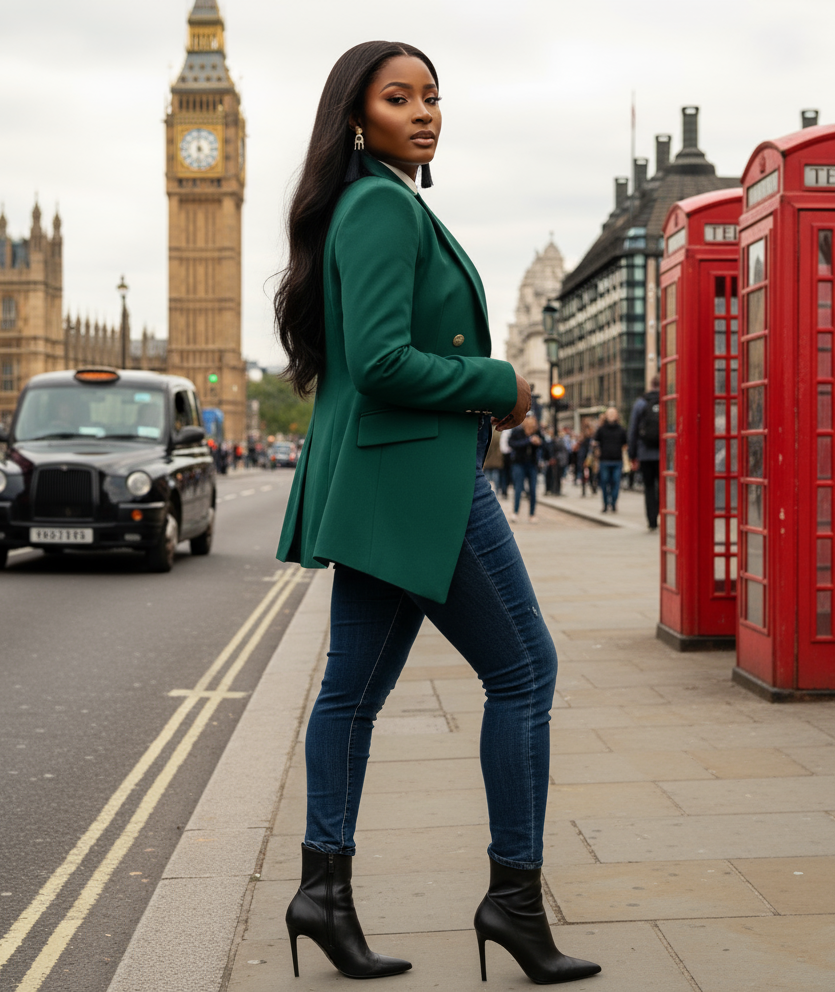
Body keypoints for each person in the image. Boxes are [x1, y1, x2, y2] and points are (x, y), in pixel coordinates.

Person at [273, 41, 600, 986]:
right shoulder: (378, 203)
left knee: (351, 692)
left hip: (383, 479)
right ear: (356, 117)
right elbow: (378, 362)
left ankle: (322, 893)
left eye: (432, 96)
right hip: (419, 480)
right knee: (525, 673)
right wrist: (499, 384)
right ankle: (514, 904)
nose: (424, 112)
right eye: (399, 97)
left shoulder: (373, 201)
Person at [628, 374, 661, 530]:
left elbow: (633, 430)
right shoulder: (668, 400)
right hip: (664, 453)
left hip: (645, 452)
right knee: (663, 486)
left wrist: (632, 454)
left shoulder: (641, 402)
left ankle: (651, 520)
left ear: (651, 384)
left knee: (648, 487)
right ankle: (662, 512)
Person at [509, 413, 543, 522]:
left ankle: (532, 514)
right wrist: (528, 441)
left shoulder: (537, 433)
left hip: (532, 463)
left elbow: (545, 445)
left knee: (533, 489)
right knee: (518, 488)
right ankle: (515, 512)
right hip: (519, 463)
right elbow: (512, 444)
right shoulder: (517, 432)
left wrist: (539, 442)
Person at [594, 407, 627, 513]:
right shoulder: (601, 429)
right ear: (606, 415)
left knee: (616, 483)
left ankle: (613, 503)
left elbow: (625, 444)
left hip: (617, 460)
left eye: (614, 413)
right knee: (604, 482)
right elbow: (595, 443)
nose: (612, 415)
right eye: (610, 413)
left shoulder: (621, 430)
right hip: (604, 460)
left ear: (617, 415)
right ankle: (605, 503)